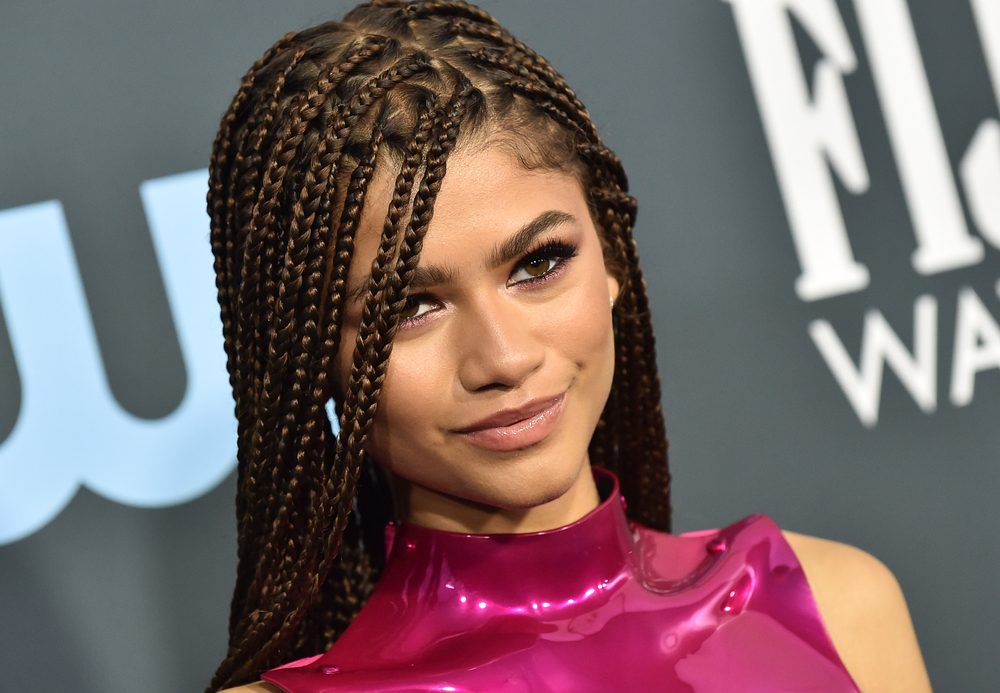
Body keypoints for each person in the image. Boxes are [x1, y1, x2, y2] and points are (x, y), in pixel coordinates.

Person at [207, 2, 933, 691]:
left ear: (613, 259)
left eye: (539, 264)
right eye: (411, 308)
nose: (505, 358)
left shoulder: (836, 605)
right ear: (315, 366)